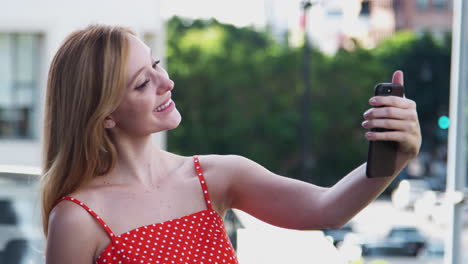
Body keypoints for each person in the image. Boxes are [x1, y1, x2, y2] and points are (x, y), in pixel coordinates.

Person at [41, 24, 421, 264]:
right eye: (143, 83)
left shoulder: (215, 177)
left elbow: (327, 209)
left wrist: (394, 157)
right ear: (105, 114)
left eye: (157, 65)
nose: (166, 83)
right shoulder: (77, 219)